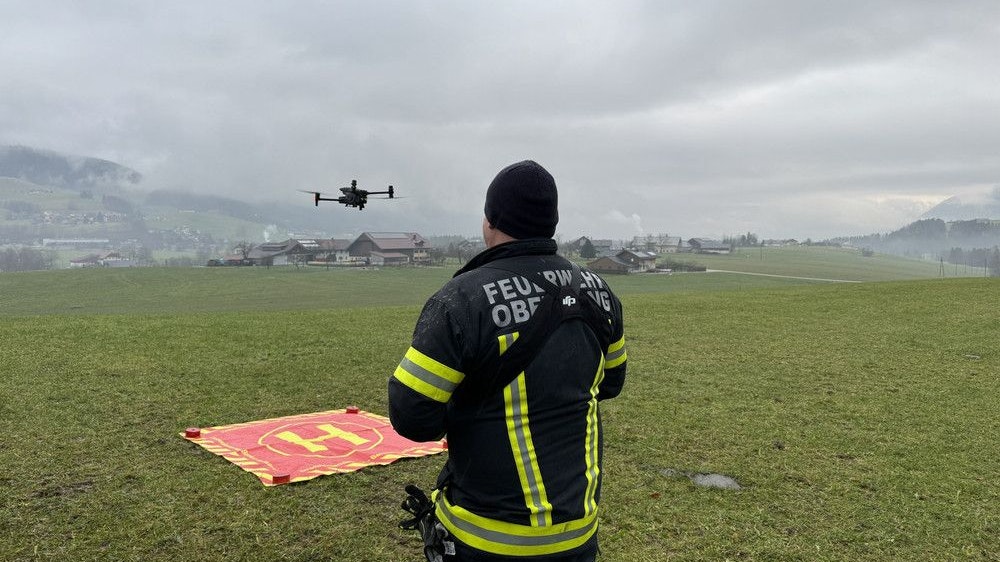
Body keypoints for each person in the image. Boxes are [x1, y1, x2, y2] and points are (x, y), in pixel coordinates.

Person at [389, 160, 627, 561]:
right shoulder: (600, 292)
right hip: (577, 537)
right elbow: (611, 384)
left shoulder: (461, 300)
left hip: (482, 540)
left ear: (489, 221)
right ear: (551, 222)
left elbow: (411, 416)